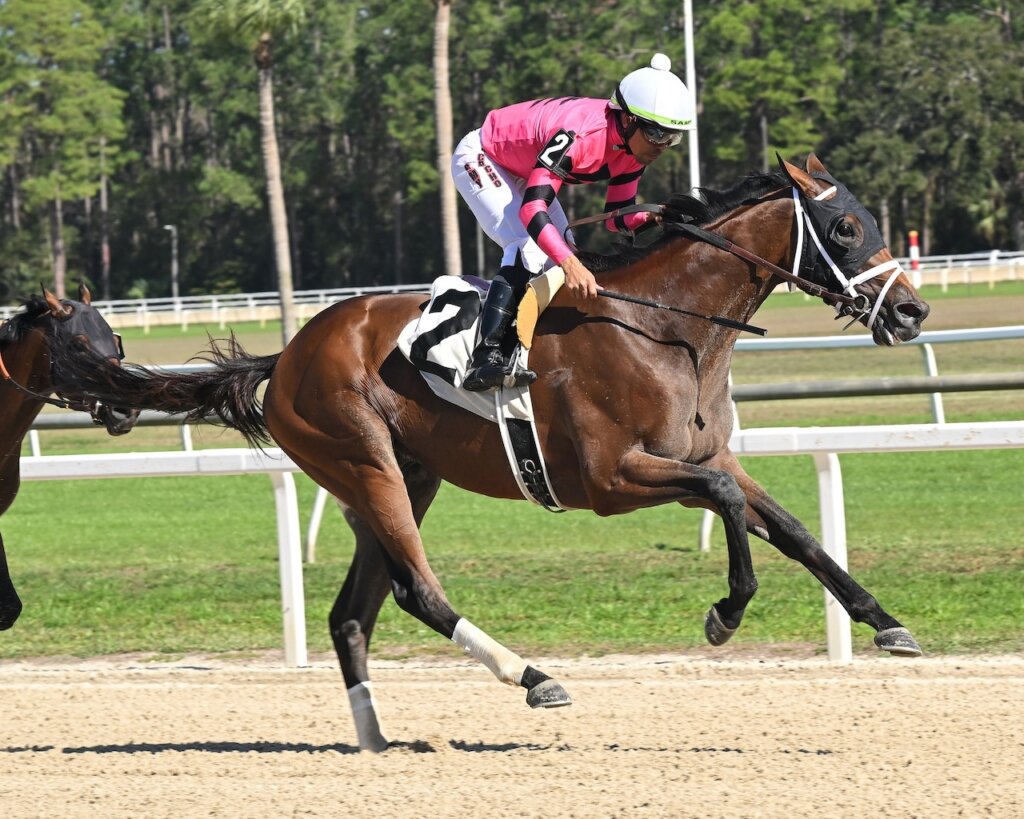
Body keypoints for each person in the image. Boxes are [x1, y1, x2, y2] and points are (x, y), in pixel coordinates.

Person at [451, 52, 695, 391]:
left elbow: (616, 217)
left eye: (672, 137)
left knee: (564, 255)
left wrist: (655, 216)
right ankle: (486, 356)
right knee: (531, 248)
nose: (662, 146)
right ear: (626, 119)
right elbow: (532, 211)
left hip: (522, 169)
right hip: (483, 156)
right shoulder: (580, 135)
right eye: (656, 134)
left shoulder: (635, 150)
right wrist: (570, 265)